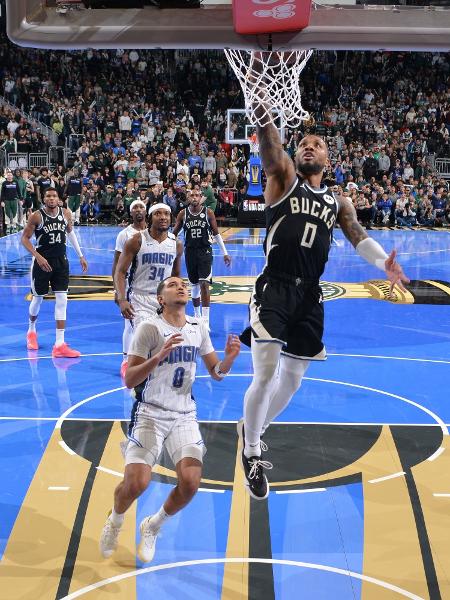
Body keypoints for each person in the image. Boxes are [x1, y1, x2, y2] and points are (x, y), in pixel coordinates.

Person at [238, 124, 409, 500]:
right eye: (303, 144)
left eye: (317, 145)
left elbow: (358, 237)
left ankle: (252, 429)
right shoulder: (283, 180)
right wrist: (265, 108)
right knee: (265, 374)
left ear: (328, 158)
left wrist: (385, 266)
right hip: (275, 287)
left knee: (293, 379)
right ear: (295, 154)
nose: (309, 148)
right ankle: (250, 452)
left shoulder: (338, 202)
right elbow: (269, 145)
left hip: (310, 296)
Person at [100, 276, 241, 562]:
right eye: (173, 284)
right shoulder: (149, 328)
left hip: (184, 414)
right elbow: (129, 379)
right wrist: (159, 356)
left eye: (184, 285)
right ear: (161, 298)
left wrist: (229, 359)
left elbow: (217, 373)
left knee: (190, 482)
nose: (182, 287)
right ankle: (115, 521)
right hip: (150, 411)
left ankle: (153, 526)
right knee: (137, 484)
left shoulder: (197, 327)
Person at [114, 203, 183, 367]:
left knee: (164, 341)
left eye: (166, 214)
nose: (163, 217)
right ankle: (134, 376)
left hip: (163, 299)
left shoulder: (176, 244)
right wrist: (122, 299)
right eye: (158, 213)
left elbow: (176, 276)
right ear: (150, 217)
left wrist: (177, 300)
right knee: (144, 336)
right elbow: (120, 271)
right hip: (140, 297)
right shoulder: (136, 240)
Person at [21, 188, 88, 357]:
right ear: (43, 199)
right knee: (37, 299)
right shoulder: (36, 216)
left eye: (54, 196)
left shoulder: (66, 213)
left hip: (61, 262)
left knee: (62, 299)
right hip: (42, 263)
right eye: (48, 196)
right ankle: (31, 331)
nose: (51, 198)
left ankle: (59, 344)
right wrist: (38, 256)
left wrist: (80, 255)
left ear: (59, 198)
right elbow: (24, 239)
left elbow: (70, 233)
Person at [172, 190, 231, 328]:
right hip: (190, 252)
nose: (194, 197)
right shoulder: (183, 214)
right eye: (192, 195)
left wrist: (225, 253)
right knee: (194, 286)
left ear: (200, 198)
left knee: (204, 283)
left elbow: (216, 234)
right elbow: (174, 234)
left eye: (197, 195)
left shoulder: (208, 213)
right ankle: (197, 315)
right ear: (188, 197)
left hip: (205, 251)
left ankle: (205, 321)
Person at [112, 199, 147, 379]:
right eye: (135, 208)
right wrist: (117, 291)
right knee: (129, 324)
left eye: (141, 207)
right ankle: (126, 361)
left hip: (149, 286)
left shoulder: (153, 233)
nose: (139, 210)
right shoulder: (124, 235)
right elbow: (117, 265)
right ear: (130, 212)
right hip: (130, 285)